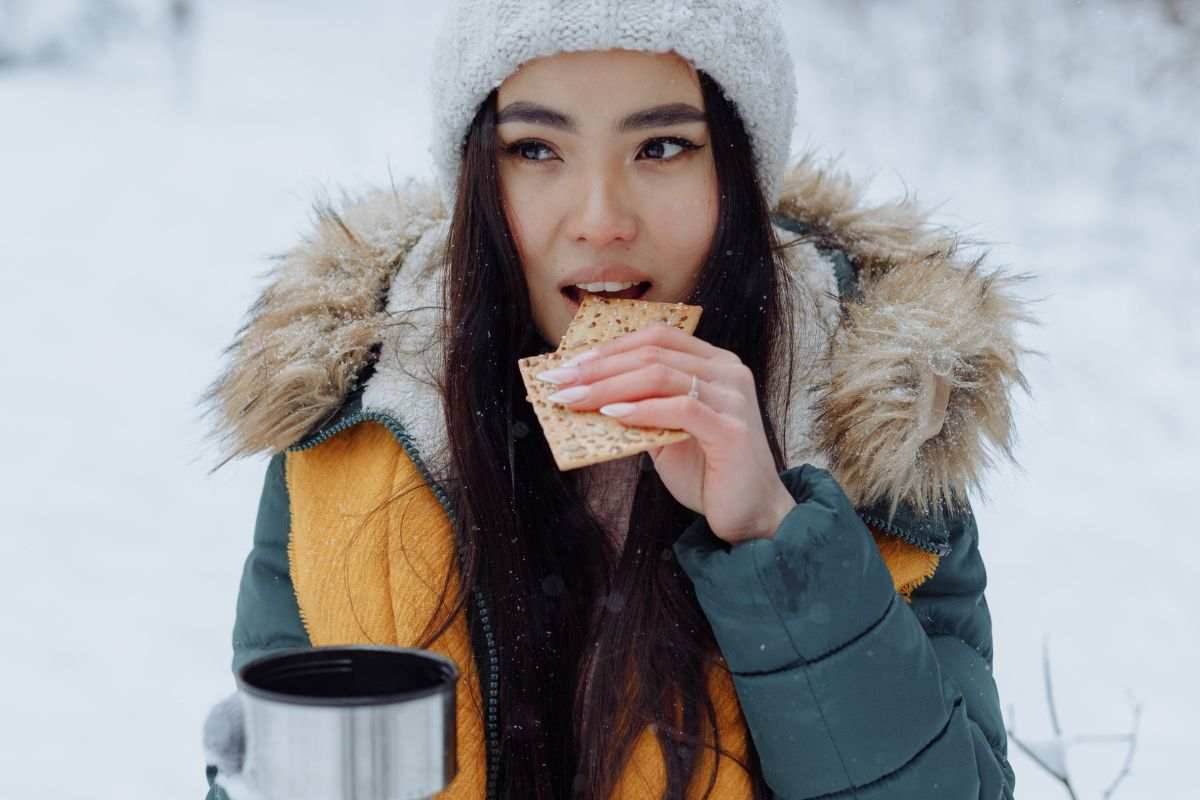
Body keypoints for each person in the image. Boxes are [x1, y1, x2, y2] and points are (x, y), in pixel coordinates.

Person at [201, 1, 1029, 797]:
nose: (600, 221)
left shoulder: (874, 429)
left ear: (737, 172)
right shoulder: (358, 422)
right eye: (535, 149)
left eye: (662, 147)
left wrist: (775, 535)